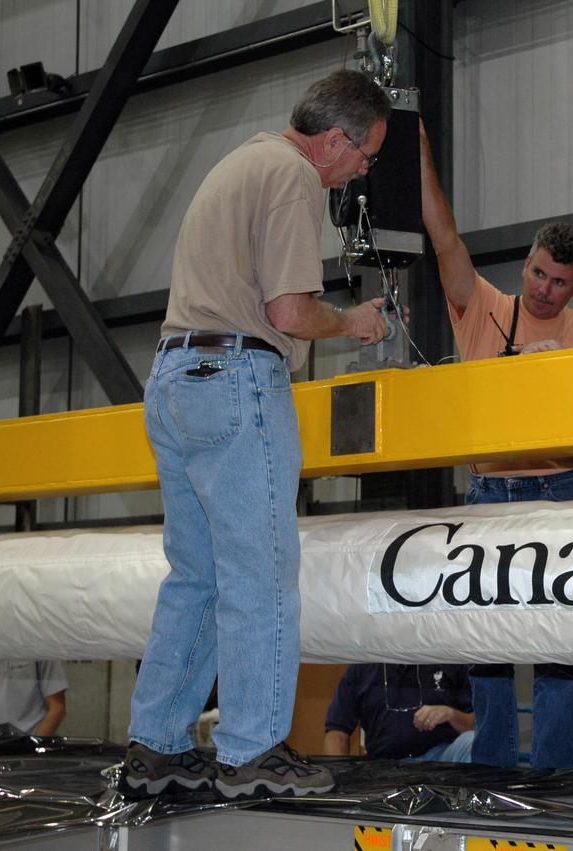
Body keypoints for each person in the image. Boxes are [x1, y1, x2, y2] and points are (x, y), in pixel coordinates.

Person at [119, 70, 396, 801]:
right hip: (238, 379)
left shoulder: (238, 161)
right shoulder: (293, 176)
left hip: (175, 379)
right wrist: (352, 322)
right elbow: (290, 310)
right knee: (261, 574)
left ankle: (157, 745)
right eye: (365, 156)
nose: (362, 171)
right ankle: (253, 750)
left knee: (196, 577)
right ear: (334, 139)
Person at [419, 122, 573, 769]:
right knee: (489, 644)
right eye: (537, 271)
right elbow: (444, 239)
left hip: (561, 490)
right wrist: (418, 148)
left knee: (558, 646)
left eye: (558, 281)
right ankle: (492, 771)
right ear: (525, 261)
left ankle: (555, 776)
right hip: (491, 491)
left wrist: (556, 373)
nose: (543, 288)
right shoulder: (486, 309)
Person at [322, 663, 474, 762]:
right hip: (383, 766)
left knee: (472, 742)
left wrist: (451, 714)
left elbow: (478, 725)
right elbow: (337, 733)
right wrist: (338, 782)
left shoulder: (450, 660)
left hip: (441, 758)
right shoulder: (361, 667)